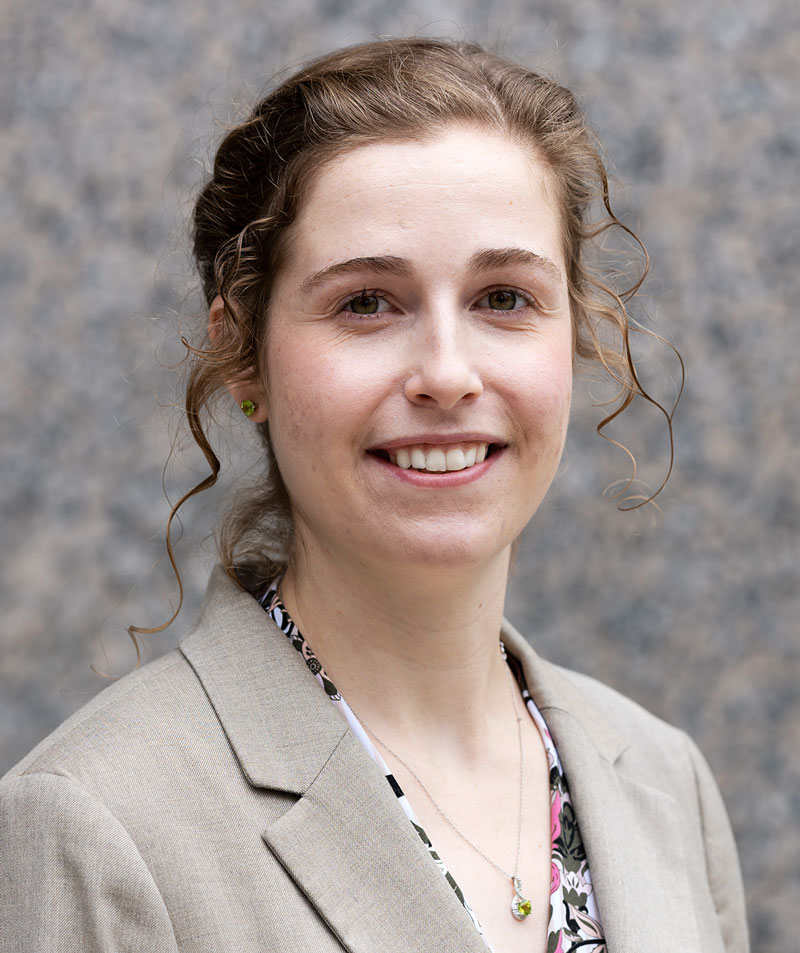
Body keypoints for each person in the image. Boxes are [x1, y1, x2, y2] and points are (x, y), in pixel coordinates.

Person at [0, 37, 748, 953]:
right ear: (243, 357)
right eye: (366, 302)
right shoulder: (94, 824)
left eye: (504, 298)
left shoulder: (666, 784)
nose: (447, 373)